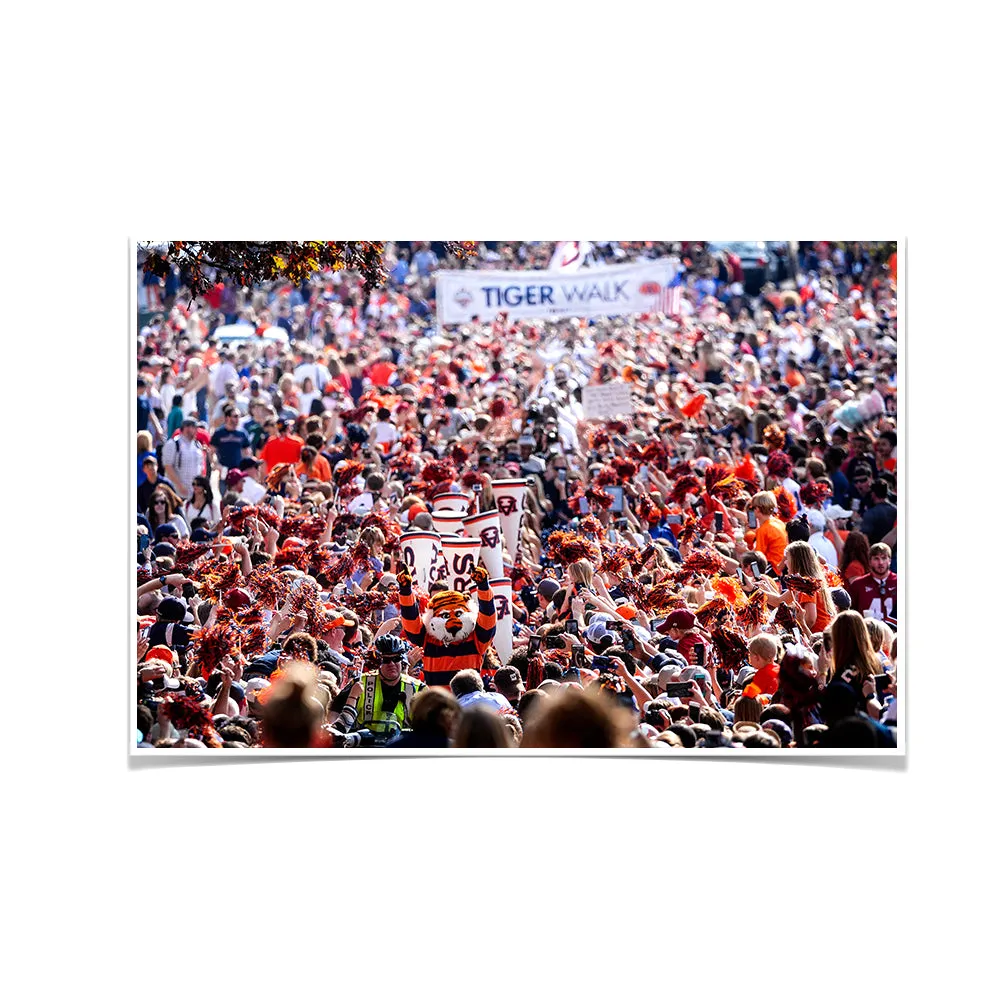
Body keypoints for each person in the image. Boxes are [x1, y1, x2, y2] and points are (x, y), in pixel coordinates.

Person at [331, 634, 425, 744]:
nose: (392, 664)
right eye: (386, 660)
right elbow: (333, 716)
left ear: (402, 660)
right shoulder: (360, 683)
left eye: (396, 659)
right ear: (378, 661)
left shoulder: (418, 689)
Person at [846, 542, 898, 627]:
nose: (880, 562)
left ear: (890, 561)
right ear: (869, 561)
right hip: (866, 634)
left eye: (884, 558)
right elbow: (849, 613)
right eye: (876, 559)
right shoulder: (858, 584)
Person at [162, 417, 207, 499]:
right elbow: (168, 466)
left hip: (193, 493)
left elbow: (200, 467)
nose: (196, 431)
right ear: (187, 428)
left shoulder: (197, 445)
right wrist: (179, 485)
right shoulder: (173, 444)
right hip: (176, 493)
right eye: (194, 428)